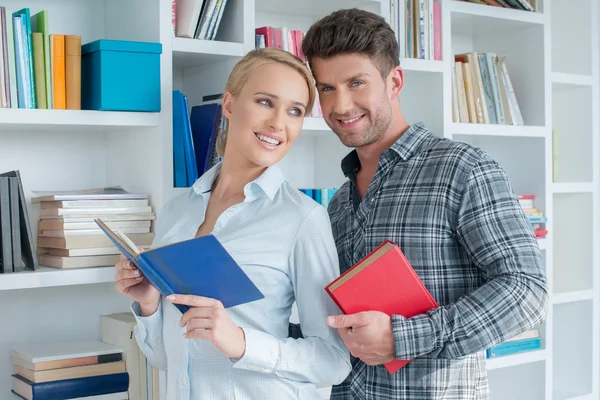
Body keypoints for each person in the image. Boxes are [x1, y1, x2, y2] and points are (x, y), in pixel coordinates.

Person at [298, 8, 549, 400]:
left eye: (357, 83)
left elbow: (528, 292)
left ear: (394, 81)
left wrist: (402, 338)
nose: (341, 105)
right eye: (327, 88)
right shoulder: (338, 204)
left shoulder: (463, 169)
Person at [113, 47, 351, 399]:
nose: (278, 124)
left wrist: (241, 342)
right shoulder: (177, 211)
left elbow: (333, 360)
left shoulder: (302, 218)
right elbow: (166, 359)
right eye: (265, 102)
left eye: (295, 111)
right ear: (228, 105)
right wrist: (148, 305)